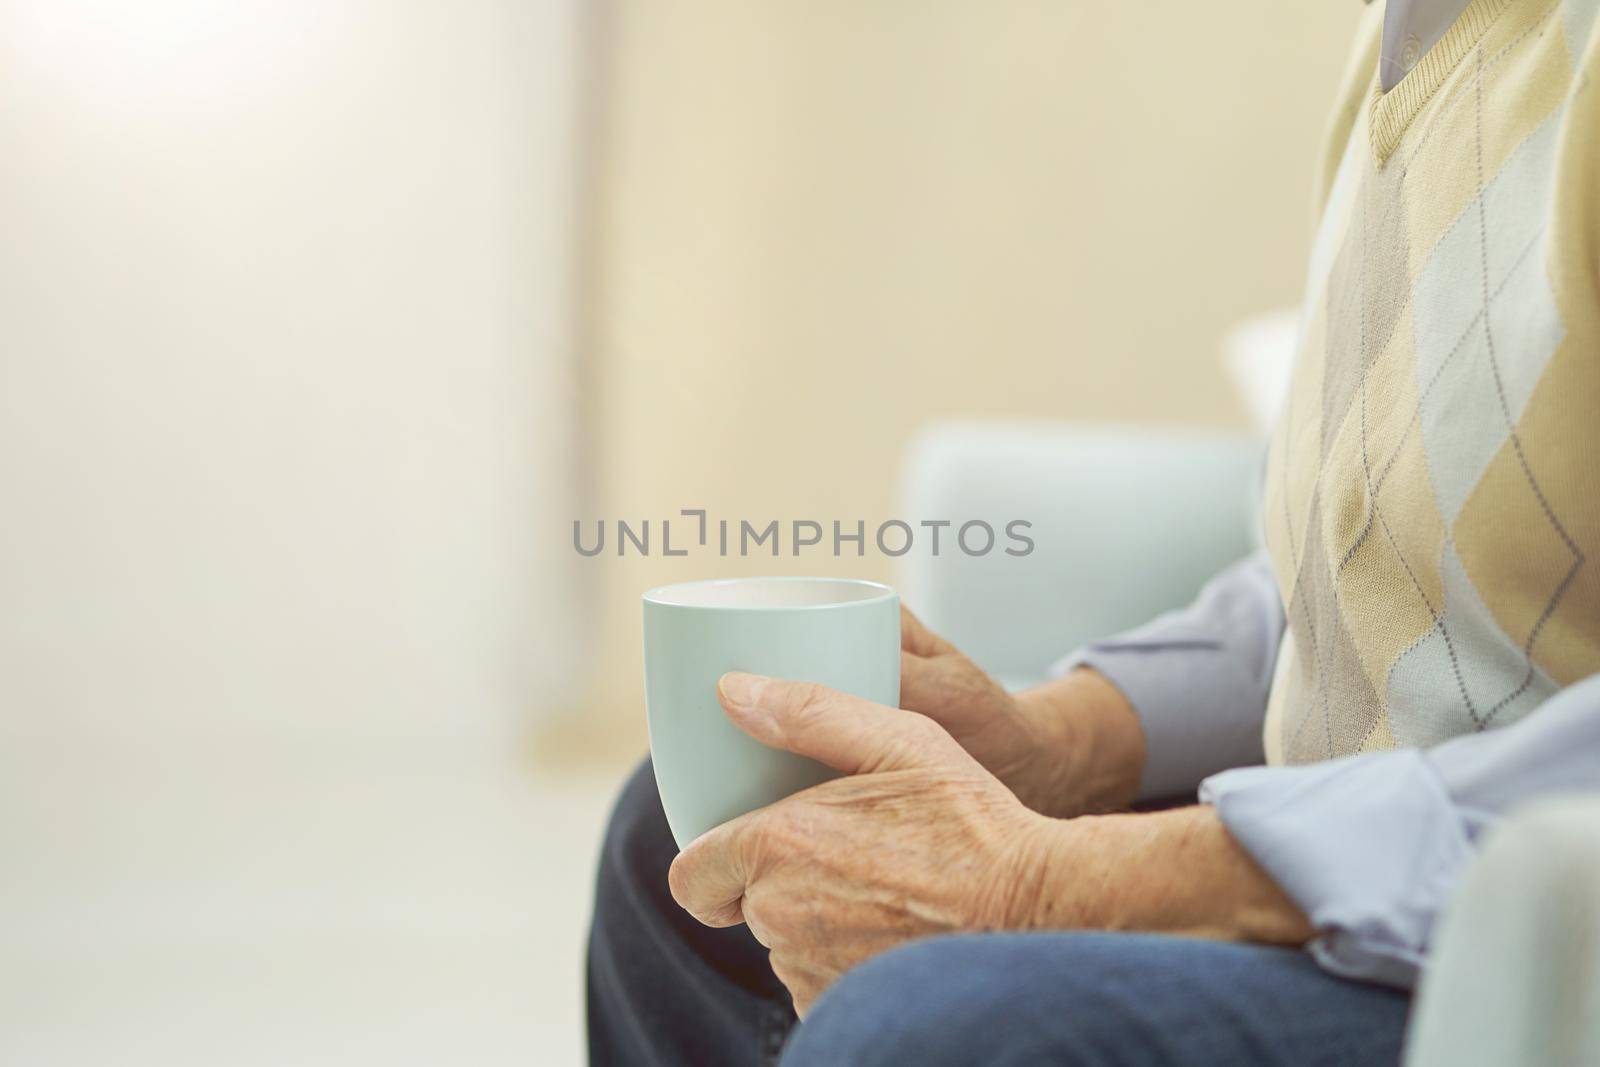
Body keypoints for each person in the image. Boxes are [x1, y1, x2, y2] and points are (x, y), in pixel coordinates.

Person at [588, 0, 1600, 1062]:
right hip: (1371, 842)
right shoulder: (1419, 36)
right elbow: (1388, 562)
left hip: (1524, 934)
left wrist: (1048, 879)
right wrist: (1060, 742)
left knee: (931, 1031)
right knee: (676, 851)